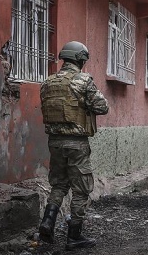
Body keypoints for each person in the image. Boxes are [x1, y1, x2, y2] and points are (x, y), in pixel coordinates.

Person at [38, 41, 109, 249]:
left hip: (55, 142)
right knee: (81, 189)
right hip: (76, 144)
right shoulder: (83, 80)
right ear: (81, 60)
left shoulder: (47, 83)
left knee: (59, 184)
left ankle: (47, 225)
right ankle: (74, 236)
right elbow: (102, 107)